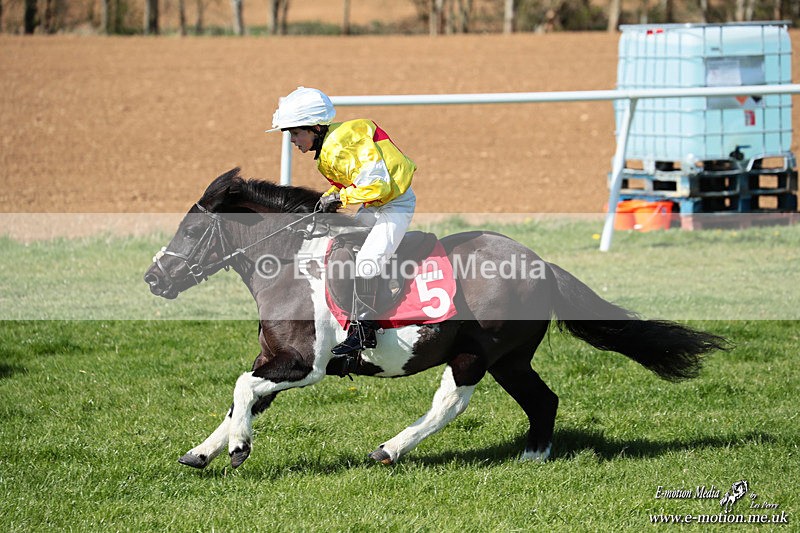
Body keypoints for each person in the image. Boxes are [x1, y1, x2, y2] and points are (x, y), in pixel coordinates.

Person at [268, 87, 417, 363]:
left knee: (367, 261)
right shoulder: (327, 151)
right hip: (376, 205)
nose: (293, 141)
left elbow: (378, 186)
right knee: (342, 244)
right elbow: (347, 183)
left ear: (315, 128)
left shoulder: (341, 145)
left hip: (395, 205)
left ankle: (364, 331)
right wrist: (324, 200)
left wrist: (339, 198)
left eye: (296, 133)